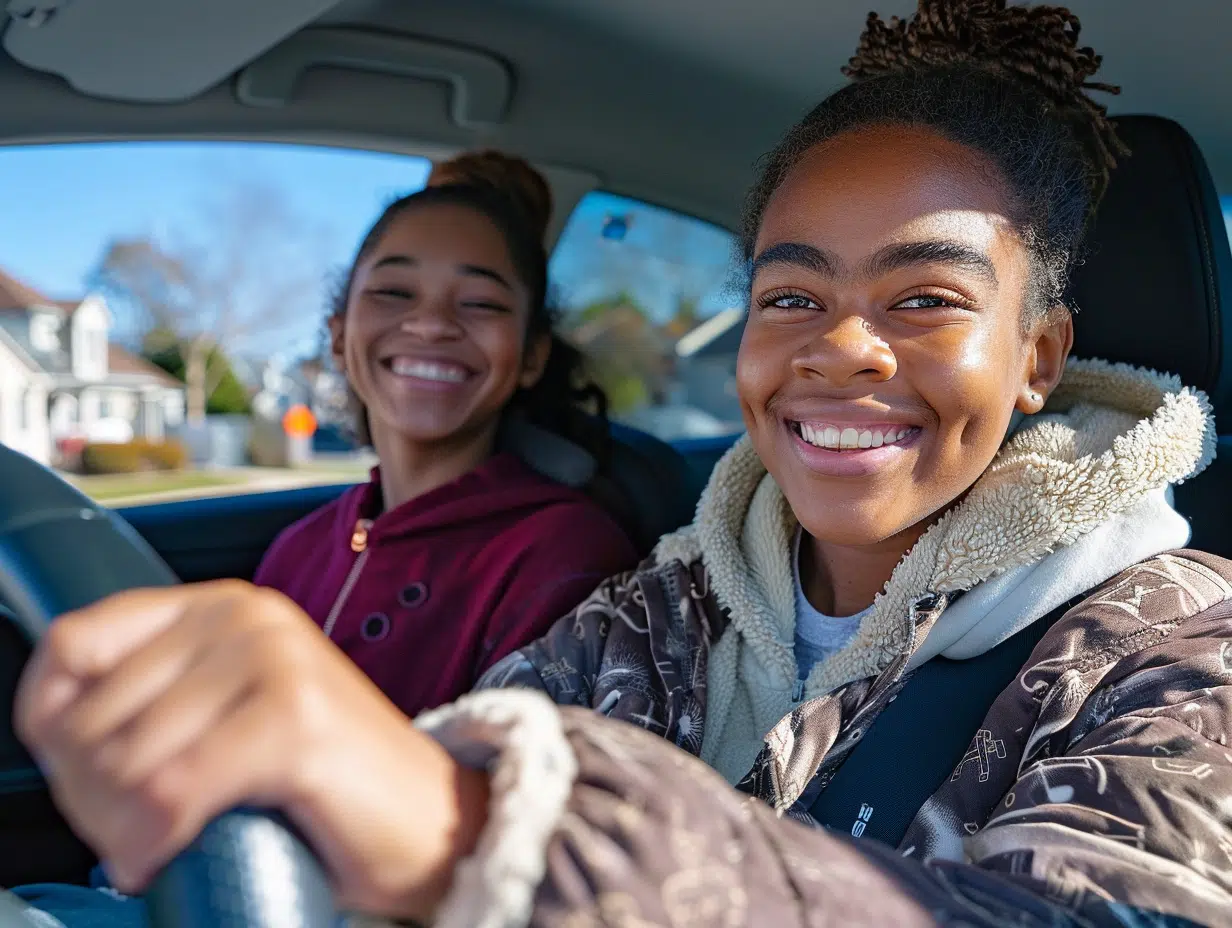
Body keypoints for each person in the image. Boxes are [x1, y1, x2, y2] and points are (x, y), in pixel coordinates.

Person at [12, 2, 1232, 925]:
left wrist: (485, 831)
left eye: (922, 297)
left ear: (1035, 356)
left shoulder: (1177, 649)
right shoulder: (663, 603)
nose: (842, 349)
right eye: (792, 293)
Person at [250, 155, 638, 719]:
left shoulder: (564, 554)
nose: (431, 324)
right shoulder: (296, 550)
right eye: (394, 293)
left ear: (531, 356)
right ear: (338, 337)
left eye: (480, 303)